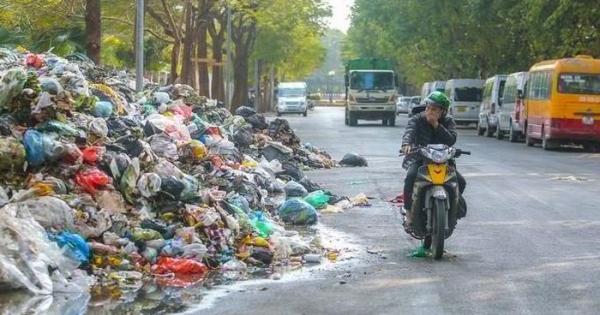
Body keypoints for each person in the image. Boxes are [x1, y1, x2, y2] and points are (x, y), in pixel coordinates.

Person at [400, 91, 467, 231]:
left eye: (434, 109)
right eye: (428, 107)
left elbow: (451, 140)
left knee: (460, 181)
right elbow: (409, 132)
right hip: (420, 158)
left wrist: (436, 125)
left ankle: (453, 211)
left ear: (443, 111)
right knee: (411, 177)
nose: (429, 111)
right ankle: (409, 214)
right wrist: (406, 145)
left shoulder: (448, 121)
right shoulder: (417, 119)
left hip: (443, 160)